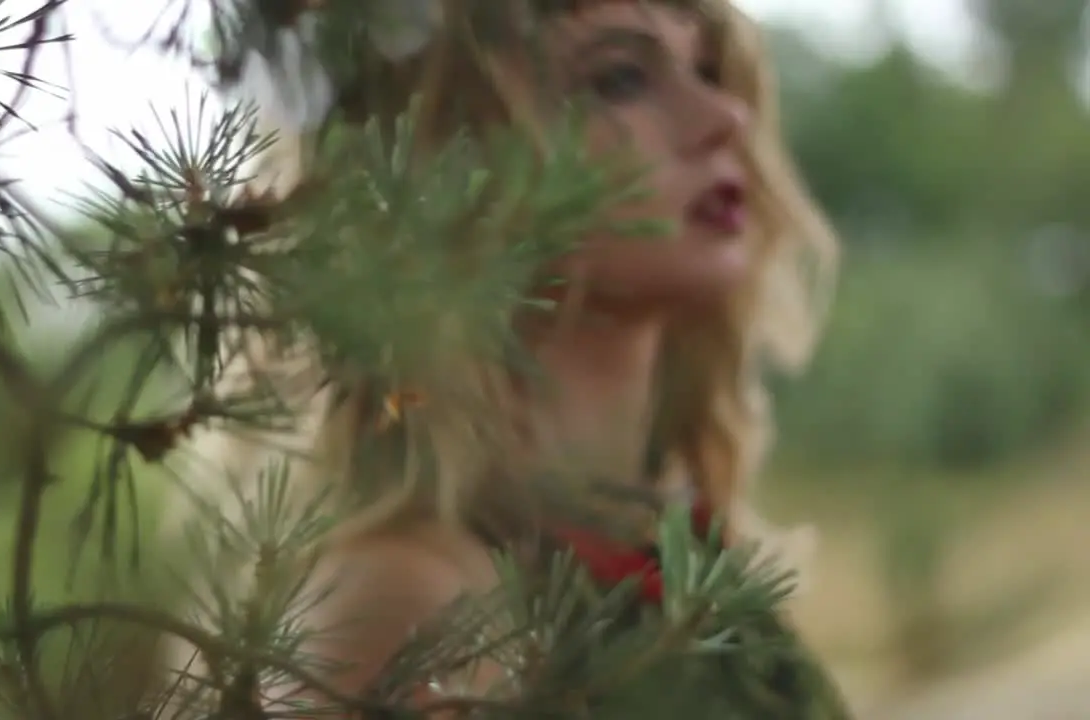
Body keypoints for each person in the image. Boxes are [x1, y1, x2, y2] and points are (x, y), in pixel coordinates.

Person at [165, 0, 840, 713]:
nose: (723, 118)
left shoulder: (676, 545)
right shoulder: (411, 610)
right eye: (620, 79)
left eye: (706, 68)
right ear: (446, 165)